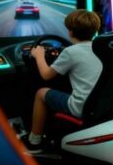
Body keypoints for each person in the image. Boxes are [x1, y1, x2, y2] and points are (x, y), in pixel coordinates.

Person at [22, 10, 103, 154]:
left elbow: (46, 75)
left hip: (82, 107)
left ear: (70, 32)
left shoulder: (70, 52)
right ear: (95, 30)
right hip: (101, 105)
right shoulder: (101, 49)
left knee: (41, 93)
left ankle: (34, 142)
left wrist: (39, 55)